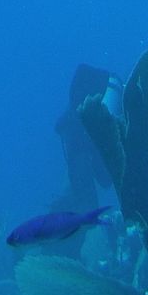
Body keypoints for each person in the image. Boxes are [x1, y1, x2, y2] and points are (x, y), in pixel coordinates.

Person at [54, 63, 122, 211]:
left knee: (99, 176)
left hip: (85, 128)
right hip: (87, 128)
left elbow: (104, 180)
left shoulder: (76, 137)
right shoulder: (77, 136)